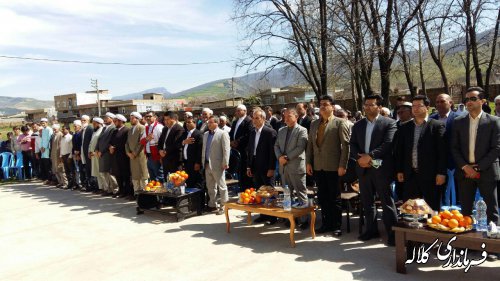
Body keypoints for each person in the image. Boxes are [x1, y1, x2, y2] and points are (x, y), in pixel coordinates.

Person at [451, 87, 500, 262]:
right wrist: (466, 167)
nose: (468, 102)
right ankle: (465, 245)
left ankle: (493, 248)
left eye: (472, 98)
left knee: (492, 211)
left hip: (486, 172)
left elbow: (497, 148)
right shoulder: (458, 121)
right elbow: (454, 148)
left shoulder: (494, 121)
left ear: (483, 101)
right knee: (464, 210)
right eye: (466, 99)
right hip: (464, 173)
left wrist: (477, 168)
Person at [350, 95, 398, 246]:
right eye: (366, 105)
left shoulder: (389, 123)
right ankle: (371, 230)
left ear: (379, 106)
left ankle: (392, 234)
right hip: (363, 167)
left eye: (371, 105)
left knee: (386, 201)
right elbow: (352, 145)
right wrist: (360, 159)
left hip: (380, 166)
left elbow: (387, 144)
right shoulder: (358, 125)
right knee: (367, 201)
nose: (368, 107)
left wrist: (369, 157)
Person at [306, 95, 350, 237]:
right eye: (321, 104)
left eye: (326, 104)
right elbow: (311, 146)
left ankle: (336, 225)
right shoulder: (314, 124)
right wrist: (308, 162)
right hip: (318, 166)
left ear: (332, 107)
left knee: (334, 197)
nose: (323, 107)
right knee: (323, 197)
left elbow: (345, 146)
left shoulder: (340, 123)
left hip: (334, 167)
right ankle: (326, 224)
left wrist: (343, 165)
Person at [395, 95, 447, 211]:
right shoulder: (405, 127)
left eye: (419, 106)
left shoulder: (436, 126)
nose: (415, 108)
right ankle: (412, 229)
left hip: (431, 175)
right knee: (411, 209)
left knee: (431, 210)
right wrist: (399, 170)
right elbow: (400, 151)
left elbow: (442, 152)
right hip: (410, 174)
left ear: (427, 108)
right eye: (413, 106)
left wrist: (441, 172)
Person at [274, 108, 309, 226]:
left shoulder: (302, 130)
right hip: (284, 167)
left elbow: (300, 147)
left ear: (296, 117)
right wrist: (280, 158)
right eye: (285, 116)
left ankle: (304, 220)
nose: (286, 118)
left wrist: (286, 158)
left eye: (289, 116)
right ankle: (290, 218)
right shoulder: (281, 130)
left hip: (296, 166)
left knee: (300, 193)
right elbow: (276, 145)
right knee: (287, 193)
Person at [247, 108, 277, 224]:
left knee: (269, 191)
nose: (254, 120)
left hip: (266, 166)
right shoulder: (252, 132)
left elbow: (272, 152)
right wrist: (249, 166)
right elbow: (250, 150)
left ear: (263, 118)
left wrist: (271, 168)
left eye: (256, 118)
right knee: (259, 191)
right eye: (253, 118)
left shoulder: (270, 132)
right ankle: (263, 214)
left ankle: (272, 217)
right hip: (255, 165)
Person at [429, 94, 460, 206]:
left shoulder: (459, 119)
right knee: (437, 195)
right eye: (437, 102)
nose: (439, 104)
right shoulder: (431, 119)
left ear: (450, 103)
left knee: (454, 196)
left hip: (455, 163)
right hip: (436, 164)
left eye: (442, 101)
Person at [202, 115, 230, 215]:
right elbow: (204, 149)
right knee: (210, 186)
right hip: (207, 164)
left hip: (218, 164)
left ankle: (224, 205)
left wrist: (225, 162)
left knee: (221, 186)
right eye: (208, 123)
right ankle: (212, 204)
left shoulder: (223, 134)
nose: (208, 124)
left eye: (210, 122)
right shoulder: (205, 134)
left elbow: (226, 149)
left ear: (216, 123)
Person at [229, 104, 254, 191]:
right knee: (239, 171)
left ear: (245, 111)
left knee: (245, 172)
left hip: (244, 150)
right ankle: (241, 189)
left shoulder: (249, 121)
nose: (238, 112)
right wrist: (231, 141)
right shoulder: (235, 122)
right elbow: (231, 133)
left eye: (240, 110)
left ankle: (247, 189)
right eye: (237, 110)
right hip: (236, 151)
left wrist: (238, 141)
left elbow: (248, 135)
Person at [126, 112, 149, 198]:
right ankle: (137, 197)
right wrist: (128, 153)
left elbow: (141, 143)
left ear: (138, 119)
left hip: (140, 156)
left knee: (143, 176)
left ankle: (146, 197)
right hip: (132, 157)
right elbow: (127, 143)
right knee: (135, 178)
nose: (131, 119)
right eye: (130, 118)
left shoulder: (142, 128)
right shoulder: (130, 130)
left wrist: (134, 153)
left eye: (133, 118)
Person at [110, 114, 132, 198]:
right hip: (115, 156)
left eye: (115, 121)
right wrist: (110, 147)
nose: (114, 123)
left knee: (125, 175)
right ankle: (121, 190)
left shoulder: (126, 130)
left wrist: (115, 147)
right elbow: (111, 141)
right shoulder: (114, 131)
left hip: (123, 156)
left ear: (121, 121)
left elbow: (125, 143)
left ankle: (127, 191)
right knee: (117, 174)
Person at [96, 112, 118, 196]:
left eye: (107, 118)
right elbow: (99, 140)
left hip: (107, 154)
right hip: (101, 153)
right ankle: (108, 189)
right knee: (103, 172)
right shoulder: (104, 128)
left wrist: (102, 151)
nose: (105, 119)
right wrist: (97, 149)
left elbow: (109, 141)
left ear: (112, 119)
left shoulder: (113, 128)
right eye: (105, 118)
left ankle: (115, 190)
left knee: (110, 173)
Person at [158, 111, 185, 176]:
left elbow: (176, 144)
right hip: (165, 159)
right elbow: (160, 141)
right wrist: (160, 150)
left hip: (174, 160)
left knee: (175, 181)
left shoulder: (179, 129)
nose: (165, 121)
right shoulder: (165, 128)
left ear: (173, 119)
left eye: (167, 119)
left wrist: (165, 151)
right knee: (167, 180)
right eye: (164, 119)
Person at [140, 111, 164, 182]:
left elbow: (163, 142)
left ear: (155, 117)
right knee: (152, 177)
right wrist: (147, 138)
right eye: (146, 116)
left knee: (159, 176)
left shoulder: (159, 127)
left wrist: (161, 157)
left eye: (150, 116)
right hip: (149, 156)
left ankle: (161, 192)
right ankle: (155, 192)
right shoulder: (146, 127)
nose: (147, 118)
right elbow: (141, 141)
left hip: (157, 156)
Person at [181, 116, 203, 189]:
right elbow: (179, 144)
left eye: (189, 122)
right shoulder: (185, 134)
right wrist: (184, 142)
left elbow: (200, 150)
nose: (187, 124)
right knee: (189, 182)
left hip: (194, 163)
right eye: (186, 122)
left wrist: (198, 162)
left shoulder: (198, 134)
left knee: (196, 183)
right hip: (187, 162)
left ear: (195, 123)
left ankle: (199, 199)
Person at [88, 118, 104, 194]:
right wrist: (89, 151)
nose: (93, 125)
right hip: (93, 155)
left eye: (95, 124)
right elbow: (91, 143)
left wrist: (95, 152)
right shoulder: (95, 132)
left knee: (100, 172)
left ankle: (104, 188)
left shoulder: (102, 131)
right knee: (96, 173)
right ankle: (100, 187)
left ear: (99, 123)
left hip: (98, 154)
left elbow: (101, 143)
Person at [80, 115, 95, 192]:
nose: (82, 122)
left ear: (88, 121)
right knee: (87, 170)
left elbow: (92, 141)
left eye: (84, 120)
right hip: (84, 153)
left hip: (89, 153)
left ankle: (93, 186)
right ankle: (88, 186)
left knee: (91, 170)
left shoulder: (90, 128)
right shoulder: (83, 130)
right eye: (82, 120)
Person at [50, 124, 67, 188]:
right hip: (54, 154)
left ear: (58, 129)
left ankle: (65, 183)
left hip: (59, 154)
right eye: (53, 129)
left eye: (55, 129)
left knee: (61, 169)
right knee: (55, 169)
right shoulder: (53, 135)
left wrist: (60, 155)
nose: (54, 130)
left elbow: (61, 146)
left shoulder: (60, 135)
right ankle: (60, 182)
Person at [40, 118, 53, 183]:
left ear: (47, 123)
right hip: (43, 150)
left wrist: (45, 147)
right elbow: (42, 139)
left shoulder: (49, 129)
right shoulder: (43, 130)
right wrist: (41, 147)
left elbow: (49, 139)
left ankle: (50, 179)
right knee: (44, 165)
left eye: (44, 123)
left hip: (47, 149)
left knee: (48, 165)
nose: (43, 124)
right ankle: (46, 178)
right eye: (42, 123)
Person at [71, 120, 83, 190]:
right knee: (76, 170)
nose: (75, 127)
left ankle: (81, 183)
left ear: (80, 126)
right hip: (74, 154)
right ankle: (77, 183)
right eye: (74, 126)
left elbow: (80, 145)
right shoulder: (75, 134)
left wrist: (78, 154)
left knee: (80, 170)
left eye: (76, 126)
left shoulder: (81, 134)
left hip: (79, 154)